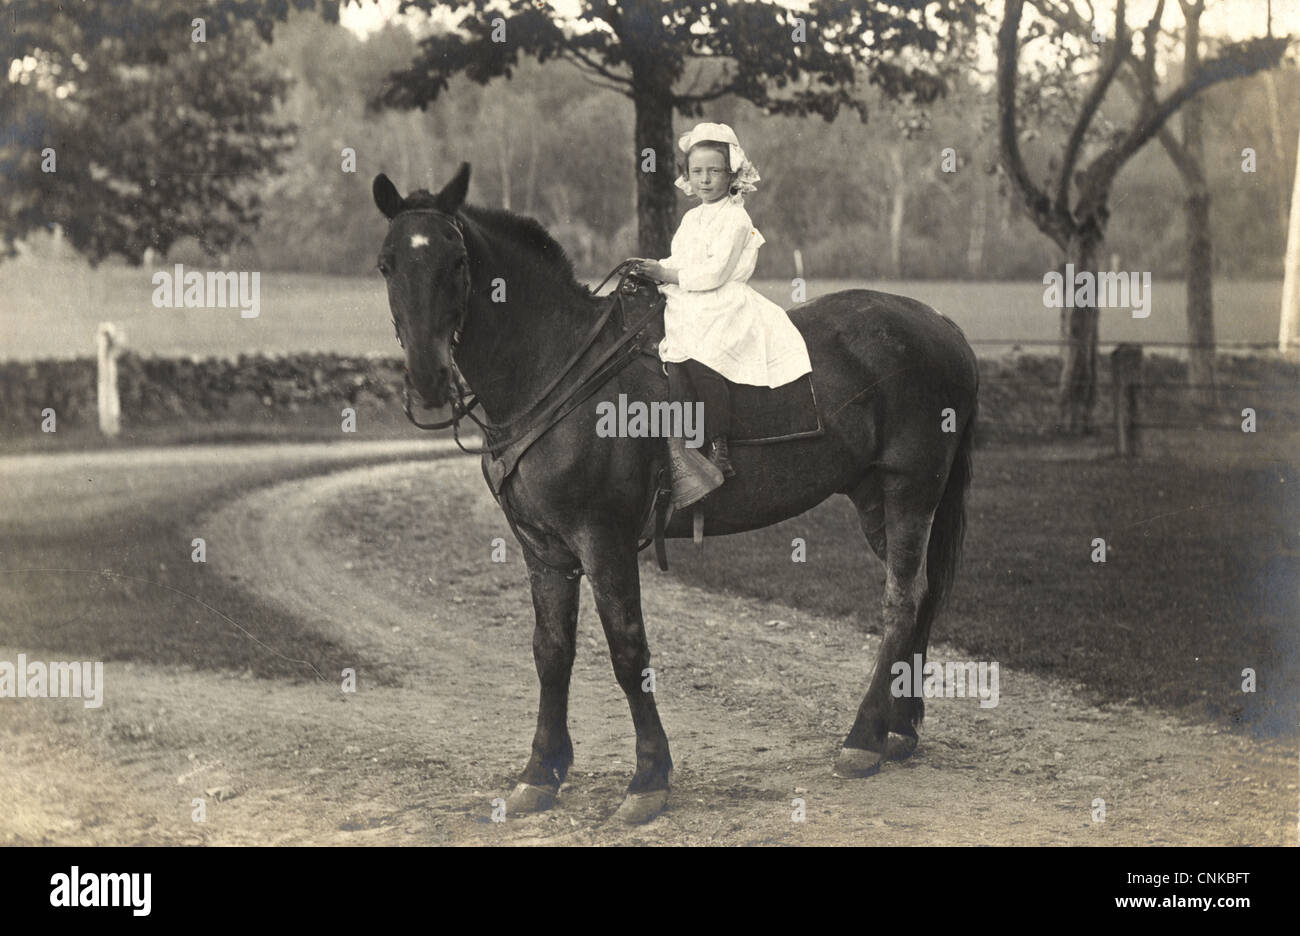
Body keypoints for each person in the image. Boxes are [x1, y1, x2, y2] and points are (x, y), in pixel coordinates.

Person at [637, 122, 812, 483]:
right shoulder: (691, 218)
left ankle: (720, 445)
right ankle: (681, 447)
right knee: (672, 362)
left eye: (714, 171)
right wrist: (652, 269)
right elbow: (680, 260)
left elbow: (714, 272)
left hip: (721, 302)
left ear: (731, 173)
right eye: (697, 171)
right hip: (689, 299)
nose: (704, 179)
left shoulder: (736, 218)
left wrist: (667, 275)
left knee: (704, 359)